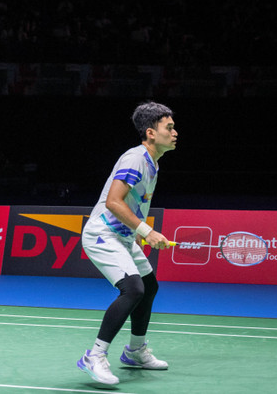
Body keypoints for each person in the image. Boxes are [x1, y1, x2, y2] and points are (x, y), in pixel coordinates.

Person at [76, 101, 177, 386]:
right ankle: (94, 356)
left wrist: (138, 234)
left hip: (123, 236)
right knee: (133, 290)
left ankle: (134, 351)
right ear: (150, 132)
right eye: (168, 127)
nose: (175, 132)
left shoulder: (152, 163)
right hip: (103, 234)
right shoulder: (135, 159)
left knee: (150, 286)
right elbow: (113, 201)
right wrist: (148, 231)